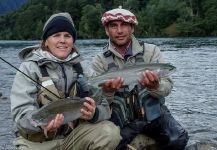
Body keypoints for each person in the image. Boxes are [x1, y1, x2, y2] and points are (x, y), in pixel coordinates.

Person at [10, 12, 123, 150]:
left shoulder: (83, 69)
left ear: (73, 41)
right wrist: (41, 124)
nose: (62, 40)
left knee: (109, 133)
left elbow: (104, 105)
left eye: (67, 36)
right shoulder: (29, 68)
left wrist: (94, 114)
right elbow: (20, 115)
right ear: (46, 41)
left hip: (73, 139)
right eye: (56, 35)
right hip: (37, 144)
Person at [90, 7, 189, 150]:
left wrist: (155, 87)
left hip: (154, 115)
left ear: (132, 28)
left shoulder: (152, 51)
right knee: (108, 145)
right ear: (107, 30)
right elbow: (96, 100)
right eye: (113, 26)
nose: (119, 30)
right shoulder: (99, 60)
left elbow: (167, 87)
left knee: (178, 138)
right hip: (121, 119)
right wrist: (108, 92)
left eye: (124, 25)